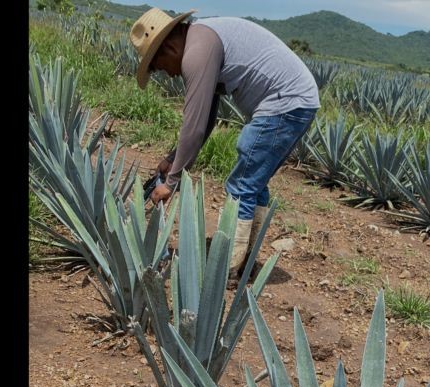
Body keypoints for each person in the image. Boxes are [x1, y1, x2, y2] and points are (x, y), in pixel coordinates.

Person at [129, 8, 319, 273]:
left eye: (159, 67)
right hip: (297, 102)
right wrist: (173, 159)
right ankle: (244, 261)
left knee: (242, 185)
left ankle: (226, 269)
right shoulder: (202, 39)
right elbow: (205, 120)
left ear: (169, 48)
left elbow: (194, 127)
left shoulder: (196, 52)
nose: (168, 74)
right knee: (253, 184)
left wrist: (171, 183)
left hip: (284, 104)